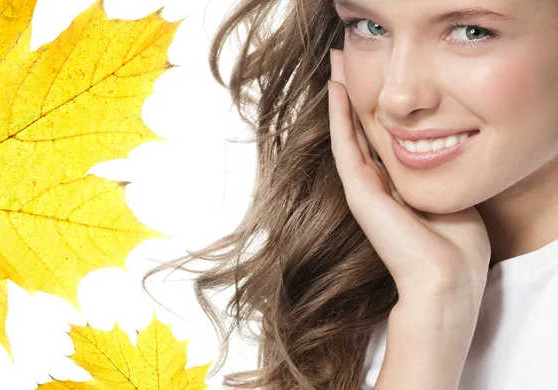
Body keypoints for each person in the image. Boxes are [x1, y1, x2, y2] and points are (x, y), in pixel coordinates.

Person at [143, 0, 558, 388]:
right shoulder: (346, 273)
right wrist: (434, 315)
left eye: (471, 32)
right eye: (370, 27)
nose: (397, 97)